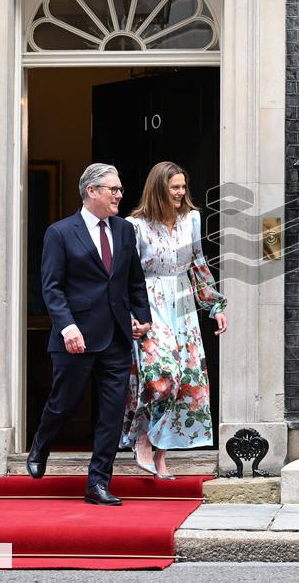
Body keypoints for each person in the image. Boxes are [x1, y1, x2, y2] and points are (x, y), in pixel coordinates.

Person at [27, 163, 152, 506]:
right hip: (75, 336)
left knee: (112, 412)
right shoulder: (61, 232)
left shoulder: (125, 230)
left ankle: (98, 482)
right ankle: (41, 443)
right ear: (91, 192)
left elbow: (134, 280)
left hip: (115, 336)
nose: (119, 195)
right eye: (113, 189)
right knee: (64, 403)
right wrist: (67, 327)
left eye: (120, 189)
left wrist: (143, 318)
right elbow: (51, 287)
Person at [121, 161, 227, 479]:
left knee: (184, 381)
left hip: (182, 304)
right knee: (159, 375)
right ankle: (142, 438)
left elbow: (197, 263)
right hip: (149, 302)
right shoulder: (135, 226)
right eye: (175, 188)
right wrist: (128, 315)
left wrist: (215, 306)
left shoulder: (191, 219)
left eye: (183, 186)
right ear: (158, 190)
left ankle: (161, 454)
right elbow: (125, 274)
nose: (181, 193)